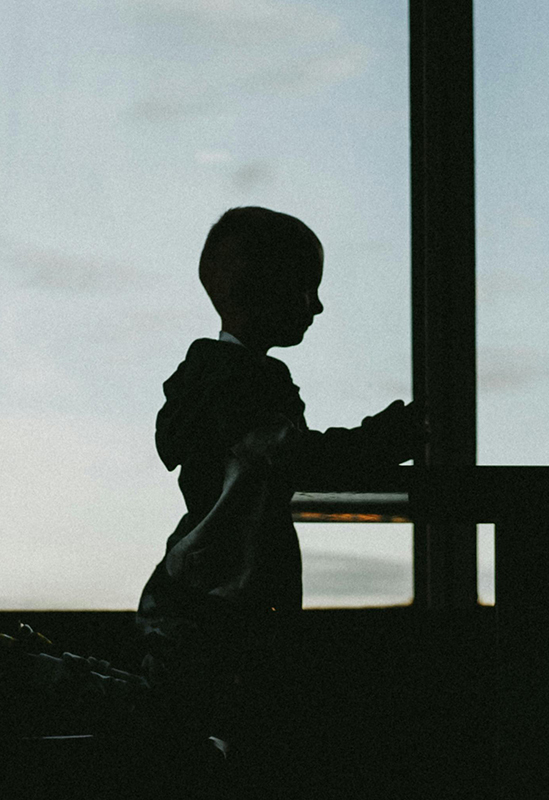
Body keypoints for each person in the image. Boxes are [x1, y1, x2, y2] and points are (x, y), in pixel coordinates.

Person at [135, 206, 424, 758]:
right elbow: (295, 455)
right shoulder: (247, 383)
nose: (316, 305)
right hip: (224, 599)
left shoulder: (209, 382)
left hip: (196, 593)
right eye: (306, 287)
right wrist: (380, 441)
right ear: (261, 287)